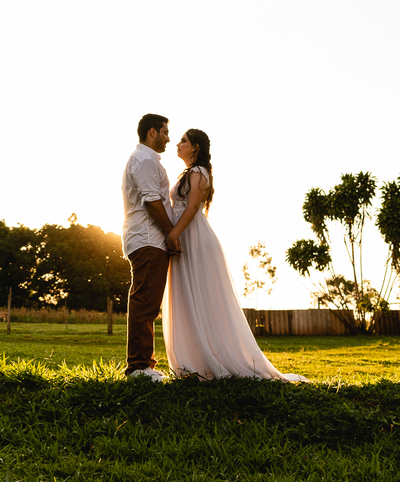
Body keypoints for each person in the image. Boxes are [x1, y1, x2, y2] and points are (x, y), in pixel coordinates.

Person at [162, 128, 307, 382]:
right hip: (185, 236)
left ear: (195, 147)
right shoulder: (190, 173)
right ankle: (194, 360)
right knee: (187, 295)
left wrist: (174, 234)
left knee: (202, 296)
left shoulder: (198, 172)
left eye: (183, 140)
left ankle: (213, 357)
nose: (178, 143)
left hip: (194, 238)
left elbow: (193, 207)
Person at [120, 113, 175, 382]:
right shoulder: (144, 160)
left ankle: (143, 364)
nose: (168, 138)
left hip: (149, 239)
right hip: (148, 238)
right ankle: (139, 368)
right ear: (152, 132)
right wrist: (171, 233)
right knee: (144, 301)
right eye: (165, 132)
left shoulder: (147, 160)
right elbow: (152, 202)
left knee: (148, 302)